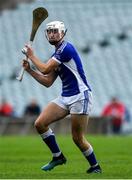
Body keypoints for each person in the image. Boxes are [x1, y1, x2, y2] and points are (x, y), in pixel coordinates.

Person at [22, 21, 102, 173]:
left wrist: (31, 55)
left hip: (80, 96)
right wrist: (30, 70)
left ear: (63, 33)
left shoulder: (66, 49)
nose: (52, 34)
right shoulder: (56, 55)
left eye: (55, 31)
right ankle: (58, 156)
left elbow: (45, 69)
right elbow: (47, 81)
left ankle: (95, 167)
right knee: (40, 123)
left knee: (77, 138)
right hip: (65, 97)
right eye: (49, 31)